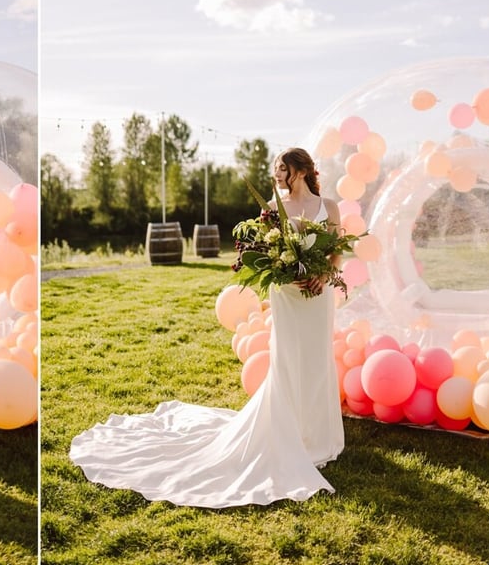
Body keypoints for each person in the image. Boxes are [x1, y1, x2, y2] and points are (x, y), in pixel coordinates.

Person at [69, 147, 345, 508]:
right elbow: (264, 253)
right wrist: (285, 275)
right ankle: (289, 434)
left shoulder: (330, 207)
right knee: (289, 360)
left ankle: (319, 437)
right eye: (276, 168)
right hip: (287, 296)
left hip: (318, 295)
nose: (277, 174)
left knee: (316, 360)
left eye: (283, 168)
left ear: (302, 170)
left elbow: (337, 250)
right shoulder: (273, 210)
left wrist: (323, 274)